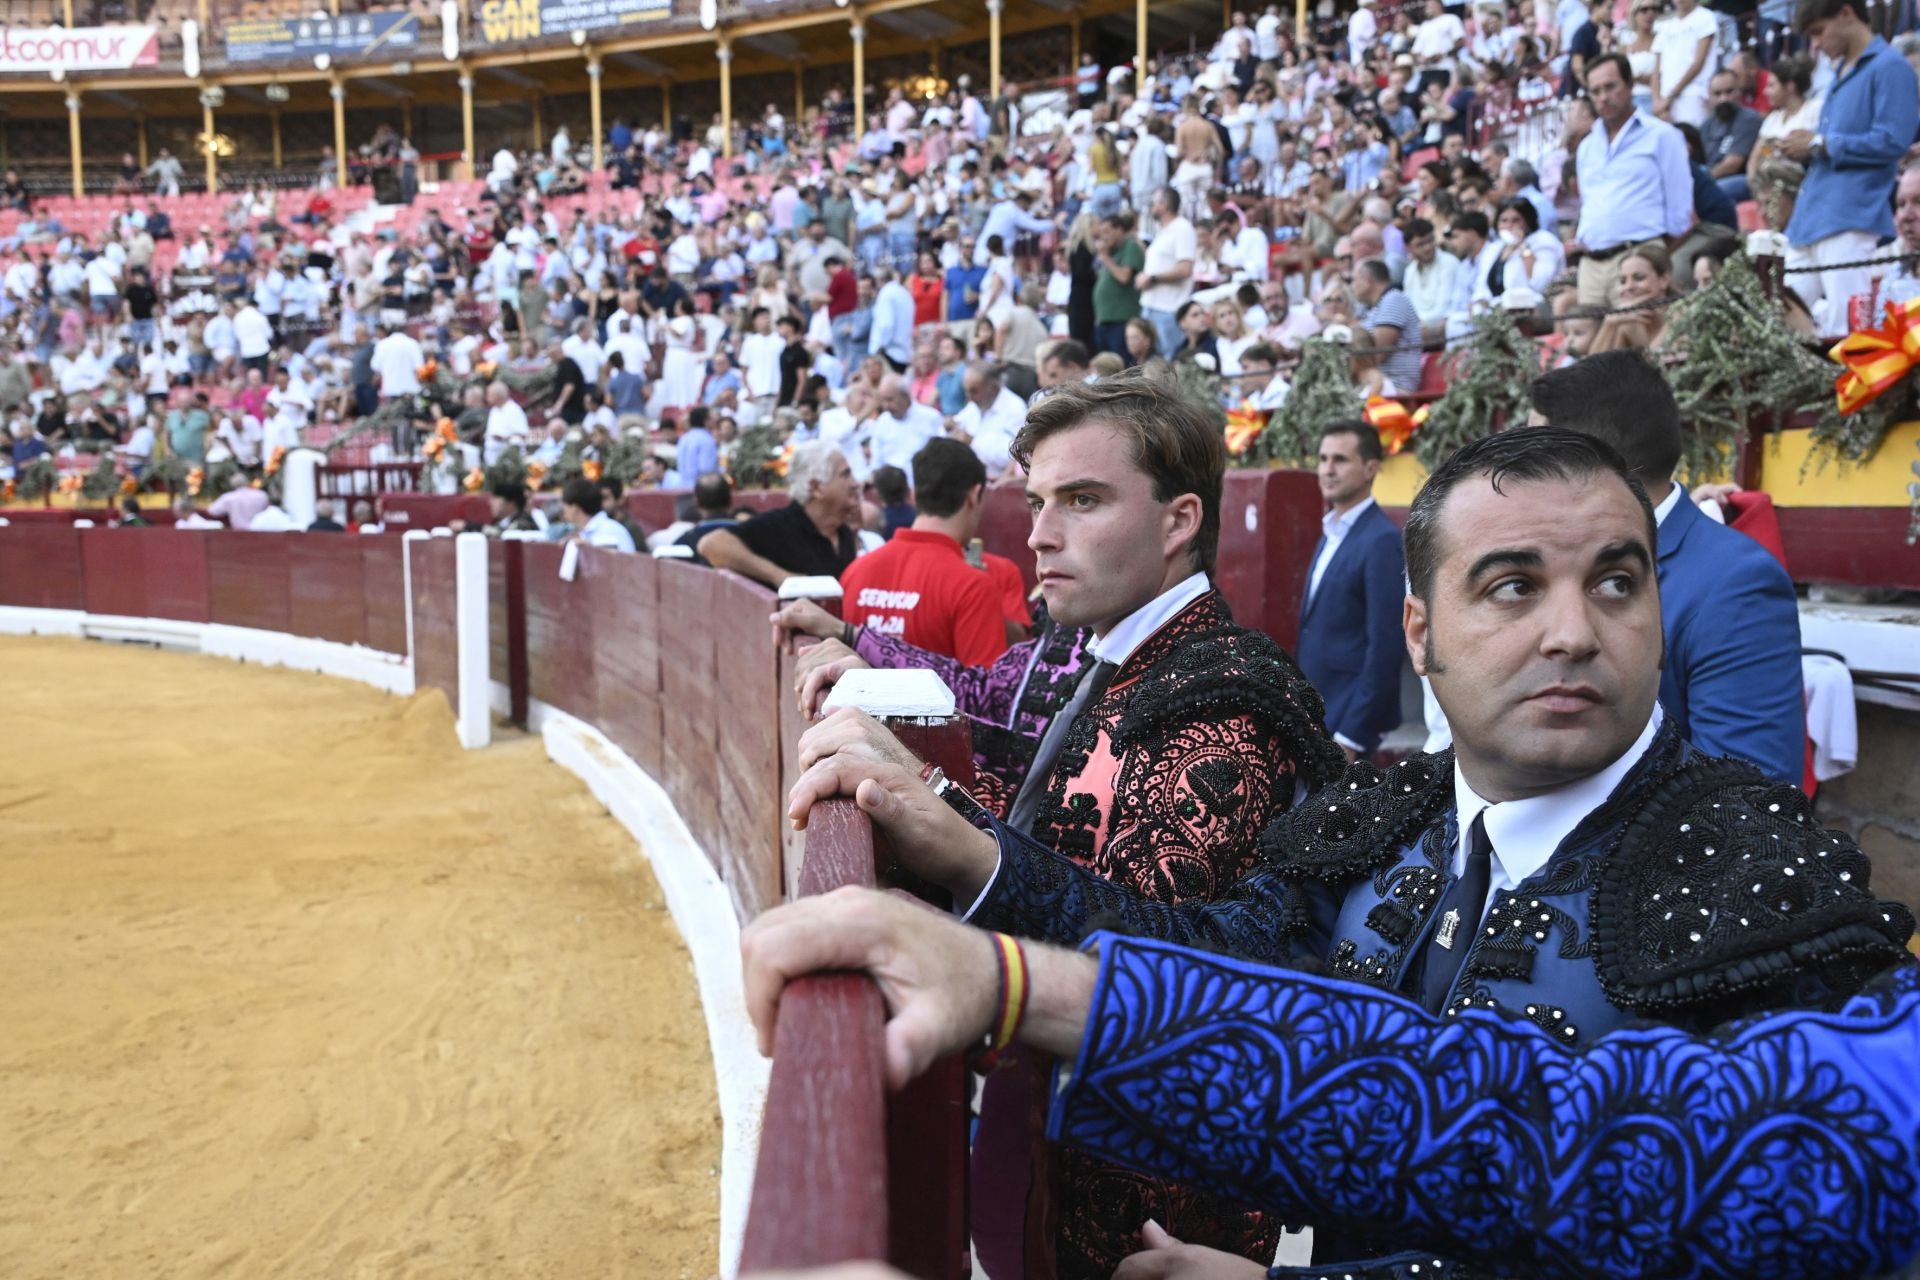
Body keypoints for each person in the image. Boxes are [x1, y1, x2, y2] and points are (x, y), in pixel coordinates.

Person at [776, 427, 1915, 1277]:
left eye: (1617, 582)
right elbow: (1227, 959)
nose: (1574, 631)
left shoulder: (1759, 872)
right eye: (1514, 585)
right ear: (1420, 631)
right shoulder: (1386, 814)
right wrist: (965, 852)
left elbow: (1692, 1199)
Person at [773, 369, 1342, 1279]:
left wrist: (957, 831)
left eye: (1082, 500)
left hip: (1147, 1224)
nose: (1039, 533)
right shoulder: (1122, 653)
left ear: (1179, 521)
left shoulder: (1221, 708)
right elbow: (1007, 717)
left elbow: (1187, 968)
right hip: (1071, 1162)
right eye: (1038, 501)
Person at [1530, 352, 1805, 785]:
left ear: (1584, 466)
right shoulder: (1548, 553)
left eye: (1535, 452)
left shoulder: (1734, 581)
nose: (1521, 472)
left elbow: (1749, 796)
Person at [1779, 0, 1919, 333]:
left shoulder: (1891, 67)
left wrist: (1819, 144)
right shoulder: (1840, 71)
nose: (1815, 44)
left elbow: (1893, 141)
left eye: (1819, 32)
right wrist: (1811, 147)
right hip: (1811, 216)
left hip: (1850, 215)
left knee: (1849, 329)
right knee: (1781, 323)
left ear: (1846, 13)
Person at [836, 439, 1007, 666]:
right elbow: (987, 695)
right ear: (975, 495)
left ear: (914, 494)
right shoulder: (973, 587)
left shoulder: (855, 573)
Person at [1296, 420, 1407, 761]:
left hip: (1348, 725)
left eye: (1340, 460)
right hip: (1320, 714)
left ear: (1371, 468)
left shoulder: (1381, 541)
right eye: (1323, 459)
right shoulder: (1332, 531)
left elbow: (1386, 646)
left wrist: (1353, 736)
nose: (1327, 470)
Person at [1573, 54, 1694, 307]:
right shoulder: (1586, 147)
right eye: (1595, 91)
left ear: (1629, 86)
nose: (1603, 97)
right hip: (1591, 264)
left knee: (1638, 339)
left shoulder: (1663, 136)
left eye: (1610, 86)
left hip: (1639, 256)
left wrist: (1652, 256)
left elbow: (1680, 210)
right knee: (1591, 345)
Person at [697, 442, 861, 586]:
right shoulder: (779, 526)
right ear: (816, 488)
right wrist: (779, 576)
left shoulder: (843, 532)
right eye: (845, 475)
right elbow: (711, 544)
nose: (855, 483)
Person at [1135, 187, 1197, 358]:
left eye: (1153, 203)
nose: (1151, 207)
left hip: (1169, 309)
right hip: (1152, 305)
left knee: (1168, 364)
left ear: (1164, 205)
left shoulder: (1182, 228)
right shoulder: (1163, 231)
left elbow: (1185, 268)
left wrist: (1152, 278)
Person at [1352, 259, 1424, 391]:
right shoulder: (1376, 307)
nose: (1353, 286)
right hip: (1376, 383)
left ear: (1368, 280)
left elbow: (1375, 354)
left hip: (1395, 385)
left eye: (1354, 280)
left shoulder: (1394, 299)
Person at [948, 361, 1026, 481]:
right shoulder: (976, 404)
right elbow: (957, 423)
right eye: (966, 391)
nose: (969, 397)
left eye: (973, 391)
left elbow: (1012, 456)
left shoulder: (1015, 409)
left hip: (997, 483)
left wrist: (973, 441)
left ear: (993, 388)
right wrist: (949, 426)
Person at [1702, 69, 1764, 201]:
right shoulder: (1707, 124)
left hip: (1740, 179)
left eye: (1729, 92)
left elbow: (1732, 165)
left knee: (1712, 192)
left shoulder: (1748, 119)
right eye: (1717, 94)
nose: (1723, 99)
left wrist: (1702, 181)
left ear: (1739, 91)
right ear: (1709, 97)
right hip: (1712, 177)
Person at [560, 476, 636, 552]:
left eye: (565, 506)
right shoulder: (587, 531)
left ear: (574, 508)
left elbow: (607, 558)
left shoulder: (608, 529)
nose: (563, 511)